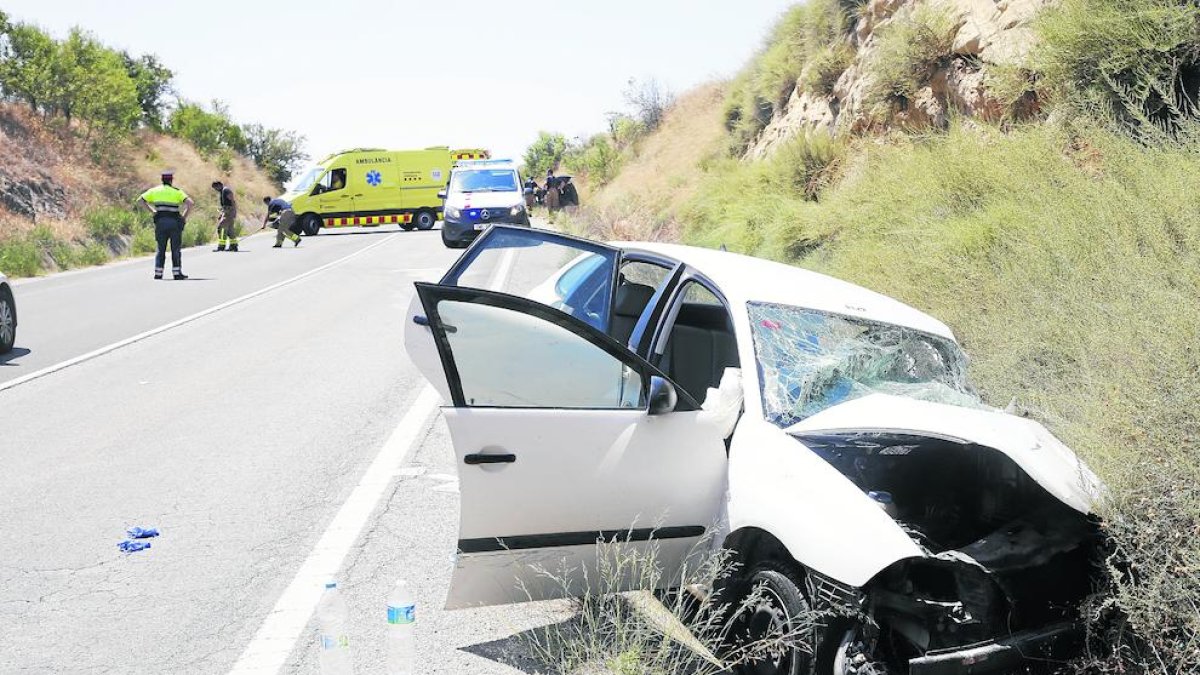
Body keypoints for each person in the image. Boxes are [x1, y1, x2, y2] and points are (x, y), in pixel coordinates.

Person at [137, 170, 193, 280]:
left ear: (162, 180)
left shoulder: (154, 191)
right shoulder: (177, 192)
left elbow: (140, 201)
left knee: (160, 248)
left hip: (160, 222)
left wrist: (152, 211)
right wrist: (183, 217)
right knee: (175, 249)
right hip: (174, 223)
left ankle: (158, 273)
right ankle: (177, 273)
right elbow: (190, 203)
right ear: (171, 180)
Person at [211, 181, 239, 252]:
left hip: (228, 212)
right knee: (230, 230)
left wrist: (234, 211)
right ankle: (233, 246)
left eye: (215, 188)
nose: (215, 190)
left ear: (219, 185)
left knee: (221, 228)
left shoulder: (226, 190)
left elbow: (232, 200)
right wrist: (222, 214)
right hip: (227, 211)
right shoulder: (223, 191)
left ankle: (221, 246)